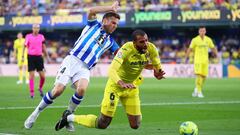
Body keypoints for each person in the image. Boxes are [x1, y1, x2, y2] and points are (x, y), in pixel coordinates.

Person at [24, 1, 121, 131]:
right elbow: (92, 10)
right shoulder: (94, 25)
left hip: (85, 68)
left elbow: (121, 53)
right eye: (113, 23)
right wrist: (110, 8)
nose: (115, 26)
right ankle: (35, 113)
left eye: (117, 24)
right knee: (57, 91)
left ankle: (67, 116)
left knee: (81, 90)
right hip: (72, 61)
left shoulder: (111, 42)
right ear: (105, 21)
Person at [55, 29, 165, 131]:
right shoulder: (125, 50)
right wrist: (120, 82)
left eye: (146, 40)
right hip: (115, 87)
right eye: (142, 42)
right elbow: (111, 70)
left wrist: (158, 72)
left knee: (135, 125)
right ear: (134, 43)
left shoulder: (151, 48)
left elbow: (157, 66)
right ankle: (69, 117)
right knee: (103, 123)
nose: (145, 44)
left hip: (131, 87)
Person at [185, 26, 218, 98]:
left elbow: (213, 47)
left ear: (205, 31)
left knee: (204, 77)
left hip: (205, 61)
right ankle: (199, 91)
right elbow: (190, 49)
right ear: (199, 31)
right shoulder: (195, 40)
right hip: (197, 61)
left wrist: (216, 55)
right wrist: (186, 57)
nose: (202, 32)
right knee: (199, 75)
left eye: (203, 31)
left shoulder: (208, 40)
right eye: (201, 31)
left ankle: (196, 89)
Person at [22, 24, 50, 98]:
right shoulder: (28, 36)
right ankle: (32, 93)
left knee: (43, 76)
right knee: (32, 75)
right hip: (31, 57)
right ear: (32, 29)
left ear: (39, 29)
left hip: (39, 57)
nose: (36, 29)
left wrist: (47, 57)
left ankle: (40, 88)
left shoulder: (41, 37)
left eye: (37, 28)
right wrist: (22, 56)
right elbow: (24, 46)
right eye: (35, 28)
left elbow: (44, 47)